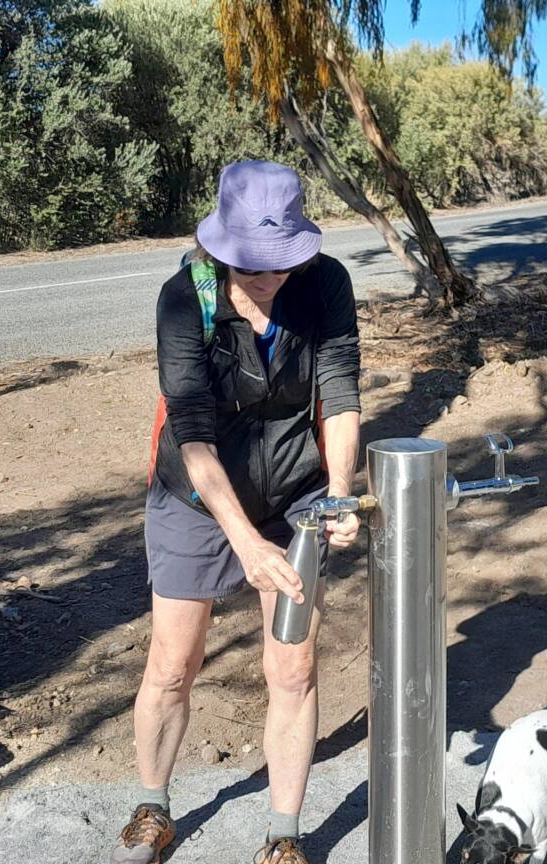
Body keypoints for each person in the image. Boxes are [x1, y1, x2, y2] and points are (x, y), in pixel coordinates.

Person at [114, 160, 363, 864]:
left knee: (293, 668)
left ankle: (283, 834)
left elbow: (340, 397)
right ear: (221, 245)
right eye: (254, 265)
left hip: (297, 498)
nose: (268, 278)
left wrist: (339, 490)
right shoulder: (181, 299)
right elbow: (191, 431)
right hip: (196, 499)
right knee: (172, 663)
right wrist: (247, 545)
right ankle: (153, 807)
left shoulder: (326, 285)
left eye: (282, 264)